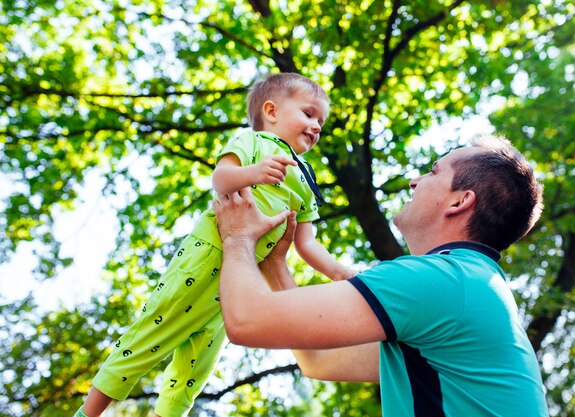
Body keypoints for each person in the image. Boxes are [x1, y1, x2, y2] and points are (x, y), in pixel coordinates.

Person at [73, 73, 354, 417]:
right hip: (207, 255)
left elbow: (306, 243)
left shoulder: (306, 179)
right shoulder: (253, 142)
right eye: (310, 114)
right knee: (150, 336)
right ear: (272, 111)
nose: (316, 126)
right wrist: (254, 173)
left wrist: (339, 272)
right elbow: (220, 180)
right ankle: (88, 413)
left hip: (239, 282)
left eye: (321, 122)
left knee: (196, 368)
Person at [213, 134, 550, 416]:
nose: (414, 180)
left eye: (433, 172)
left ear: (459, 201)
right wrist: (275, 264)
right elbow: (319, 360)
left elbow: (246, 321)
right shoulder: (468, 287)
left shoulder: (441, 280)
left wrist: (238, 237)